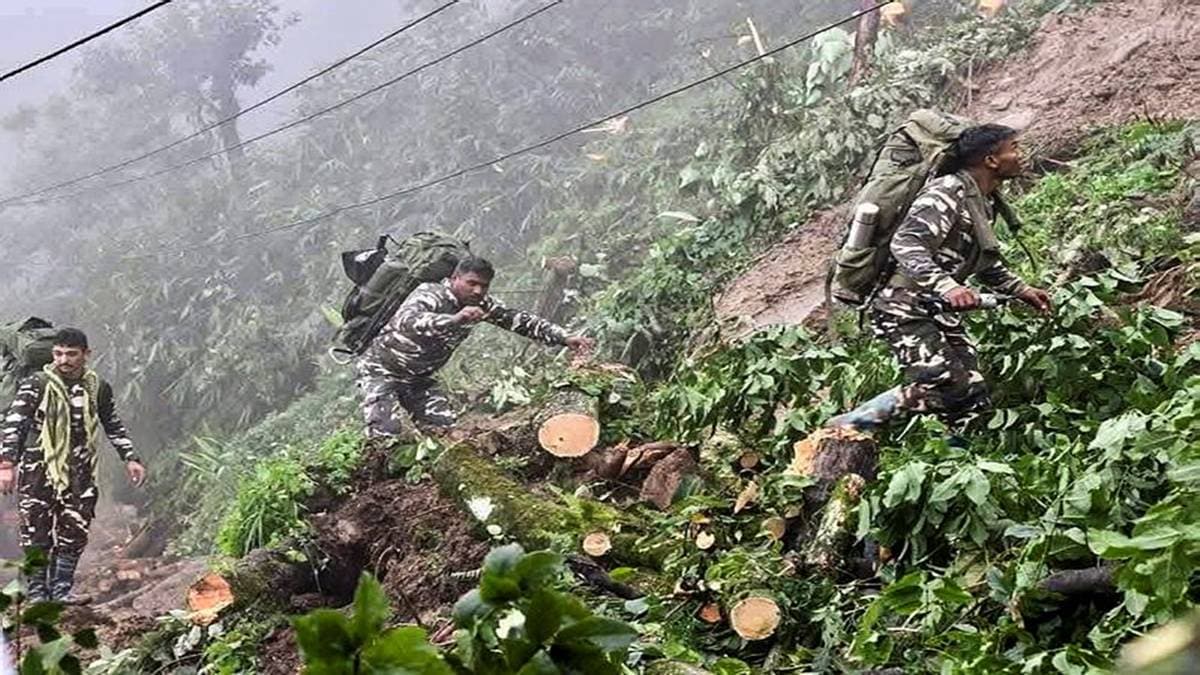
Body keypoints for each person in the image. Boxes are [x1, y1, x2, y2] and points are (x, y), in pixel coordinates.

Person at [826, 124, 1052, 434]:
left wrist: (1020, 289)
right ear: (991, 160)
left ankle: (959, 459)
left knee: (973, 392)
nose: (1021, 155)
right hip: (900, 308)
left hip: (934, 308)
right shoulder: (948, 191)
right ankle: (846, 427)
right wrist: (948, 285)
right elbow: (906, 243)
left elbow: (980, 258)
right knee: (946, 384)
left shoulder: (981, 199)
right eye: (1014, 148)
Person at [356, 256, 594, 437]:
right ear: (455, 278)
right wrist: (454, 319)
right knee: (385, 436)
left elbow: (519, 321)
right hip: (381, 370)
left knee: (445, 432)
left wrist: (564, 337)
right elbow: (407, 321)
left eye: (484, 286)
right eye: (471, 283)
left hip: (419, 379)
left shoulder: (481, 304)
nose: (478, 290)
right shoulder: (430, 294)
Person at [0, 328, 145, 603]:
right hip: (38, 468)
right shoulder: (36, 384)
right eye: (58, 353)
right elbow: (14, 425)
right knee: (35, 532)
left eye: (71, 354)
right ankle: (38, 594)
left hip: (80, 470)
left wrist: (130, 458)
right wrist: (6, 464)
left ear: (86, 354)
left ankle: (62, 591)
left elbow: (112, 424)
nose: (63, 360)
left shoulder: (97, 387)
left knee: (75, 531)